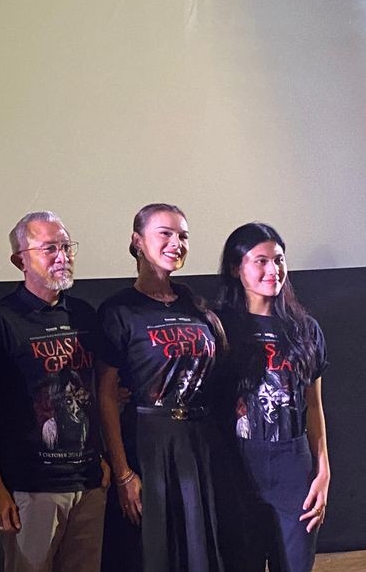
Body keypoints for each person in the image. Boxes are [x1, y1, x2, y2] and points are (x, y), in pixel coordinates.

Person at [94, 203, 226, 572]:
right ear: (137, 241)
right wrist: (123, 472)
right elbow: (106, 394)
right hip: (147, 443)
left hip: (199, 442)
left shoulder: (197, 305)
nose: (176, 243)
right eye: (165, 233)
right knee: (151, 551)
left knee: (199, 548)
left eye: (183, 235)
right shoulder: (118, 310)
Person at [0, 211, 107, 572]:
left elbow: (96, 392)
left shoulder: (84, 315)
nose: (62, 256)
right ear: (20, 260)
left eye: (66, 246)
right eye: (49, 248)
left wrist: (102, 457)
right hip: (30, 488)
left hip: (88, 483)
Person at [215, 222, 329, 572]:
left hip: (293, 465)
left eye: (278, 260)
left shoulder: (305, 329)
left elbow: (313, 405)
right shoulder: (218, 326)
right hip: (237, 464)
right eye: (260, 261)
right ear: (236, 268)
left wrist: (323, 470)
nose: (273, 270)